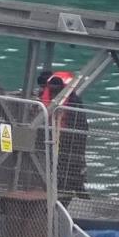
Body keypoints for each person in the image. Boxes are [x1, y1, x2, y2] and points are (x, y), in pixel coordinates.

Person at [39, 71, 88, 201]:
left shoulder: (72, 102)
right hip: (53, 138)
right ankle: (67, 192)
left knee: (67, 171)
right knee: (63, 170)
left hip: (67, 140)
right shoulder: (47, 97)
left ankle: (70, 193)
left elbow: (79, 125)